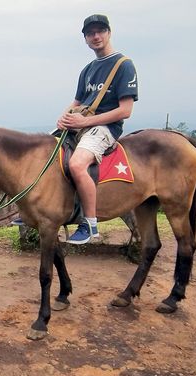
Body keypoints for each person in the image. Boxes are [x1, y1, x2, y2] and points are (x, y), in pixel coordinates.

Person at [58, 14, 138, 244]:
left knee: (76, 163)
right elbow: (77, 102)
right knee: (45, 152)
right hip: (81, 125)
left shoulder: (123, 65)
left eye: (100, 31)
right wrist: (64, 117)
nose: (96, 36)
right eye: (90, 33)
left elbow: (125, 110)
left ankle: (90, 223)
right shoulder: (88, 69)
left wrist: (83, 122)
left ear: (109, 33)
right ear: (85, 38)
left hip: (106, 128)